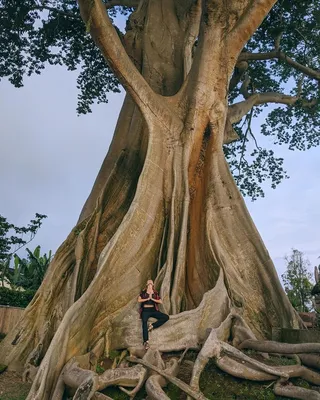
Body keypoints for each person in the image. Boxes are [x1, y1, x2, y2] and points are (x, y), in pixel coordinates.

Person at [138, 279, 169, 349]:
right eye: (148, 282)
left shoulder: (155, 293)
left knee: (166, 317)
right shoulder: (143, 292)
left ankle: (152, 326)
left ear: (153, 284)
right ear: (147, 284)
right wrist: (147, 299)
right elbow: (139, 300)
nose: (150, 283)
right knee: (144, 322)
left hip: (153, 310)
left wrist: (152, 299)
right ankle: (146, 342)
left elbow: (160, 301)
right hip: (145, 310)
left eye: (151, 282)